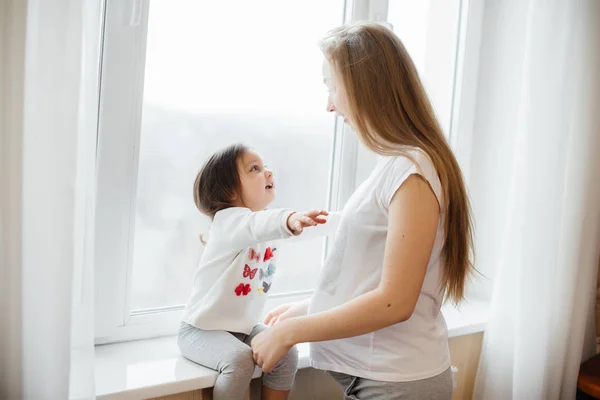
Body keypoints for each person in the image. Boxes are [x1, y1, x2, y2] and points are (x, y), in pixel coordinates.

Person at [251, 22, 475, 400]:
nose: (329, 104)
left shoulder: (412, 171)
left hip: (397, 385)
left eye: (331, 85)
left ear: (365, 86)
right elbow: (375, 277)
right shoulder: (398, 165)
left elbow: (395, 301)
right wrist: (310, 308)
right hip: (385, 382)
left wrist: (291, 333)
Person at [179, 143, 328, 400]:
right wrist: (290, 218)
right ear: (229, 191)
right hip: (199, 331)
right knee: (239, 360)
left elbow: (265, 225)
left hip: (242, 328)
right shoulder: (228, 221)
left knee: (285, 350)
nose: (268, 172)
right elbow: (261, 224)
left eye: (266, 166)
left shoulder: (262, 225)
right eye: (255, 169)